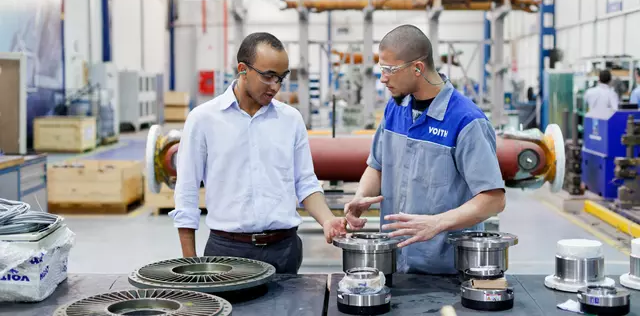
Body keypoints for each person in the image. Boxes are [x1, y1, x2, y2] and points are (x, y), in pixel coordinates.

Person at [169, 32, 347, 274]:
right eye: (268, 76)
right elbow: (187, 192)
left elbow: (305, 182)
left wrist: (327, 220)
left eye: (281, 78)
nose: (275, 86)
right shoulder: (203, 120)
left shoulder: (291, 120)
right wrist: (190, 265)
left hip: (284, 250)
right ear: (243, 69)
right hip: (228, 252)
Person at [343, 24, 506, 275]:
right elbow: (376, 166)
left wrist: (437, 224)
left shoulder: (466, 121)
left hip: (445, 269)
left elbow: (493, 200)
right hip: (393, 261)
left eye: (389, 70)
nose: (383, 78)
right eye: (381, 69)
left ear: (417, 68)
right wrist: (360, 197)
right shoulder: (395, 108)